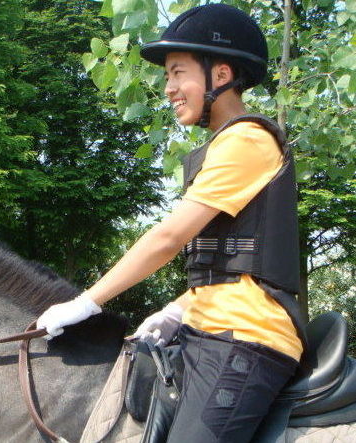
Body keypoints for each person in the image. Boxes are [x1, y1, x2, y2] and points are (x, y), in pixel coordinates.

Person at [37, 4, 306, 442]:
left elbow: (167, 238)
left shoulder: (248, 139)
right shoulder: (217, 149)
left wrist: (87, 301)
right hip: (210, 328)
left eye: (178, 73)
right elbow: (228, 265)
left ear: (220, 75)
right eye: (167, 77)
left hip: (248, 339)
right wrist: (177, 309)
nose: (169, 88)